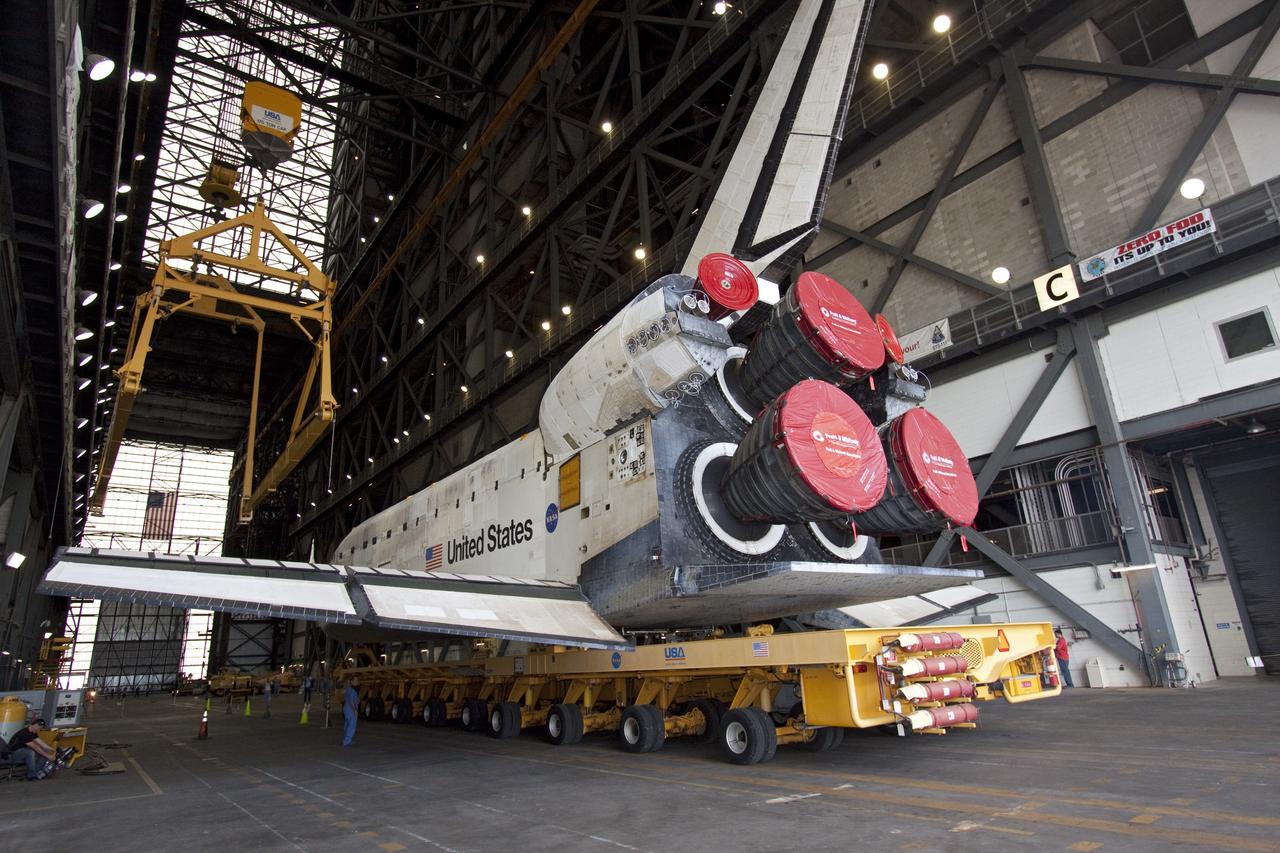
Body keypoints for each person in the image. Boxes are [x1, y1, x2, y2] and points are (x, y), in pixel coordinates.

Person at [2, 719, 73, 781]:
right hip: (11, 754)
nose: (38, 730)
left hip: (21, 753)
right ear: (34, 725)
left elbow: (42, 745)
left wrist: (53, 750)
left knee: (43, 752)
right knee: (30, 752)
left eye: (40, 728)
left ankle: (36, 772)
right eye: (38, 728)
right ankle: (31, 775)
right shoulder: (24, 733)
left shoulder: (33, 733)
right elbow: (35, 747)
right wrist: (48, 756)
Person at [342, 675, 360, 746]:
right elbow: (351, 702)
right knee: (352, 726)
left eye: (357, 680)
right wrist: (355, 710)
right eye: (355, 680)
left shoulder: (348, 690)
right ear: (351, 682)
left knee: (347, 725)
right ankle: (347, 741)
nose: (357, 682)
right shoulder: (353, 691)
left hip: (346, 709)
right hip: (350, 710)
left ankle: (345, 739)